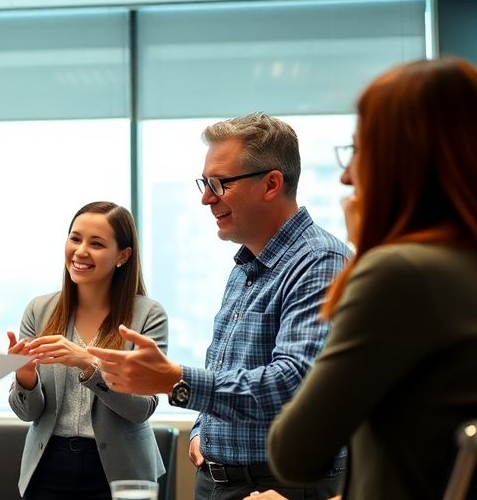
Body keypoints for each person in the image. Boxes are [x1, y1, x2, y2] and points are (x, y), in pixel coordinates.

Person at [88, 113, 352, 500]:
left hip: (282, 487)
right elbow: (227, 369)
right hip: (218, 480)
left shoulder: (320, 262)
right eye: (205, 183)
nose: (206, 198)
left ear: (271, 184)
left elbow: (295, 385)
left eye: (219, 184)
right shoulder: (245, 266)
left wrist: (174, 380)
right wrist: (202, 429)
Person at [261, 58, 477, 500]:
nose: (347, 174)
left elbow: (295, 453)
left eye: (359, 150)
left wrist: (370, 253)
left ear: (402, 158)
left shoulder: (398, 273)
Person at [7, 201, 168, 500]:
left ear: (123, 255)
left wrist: (89, 365)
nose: (81, 251)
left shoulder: (148, 315)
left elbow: (141, 409)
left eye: (96, 243)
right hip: (47, 467)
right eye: (75, 238)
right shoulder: (39, 310)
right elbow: (26, 413)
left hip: (120, 470)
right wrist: (25, 378)